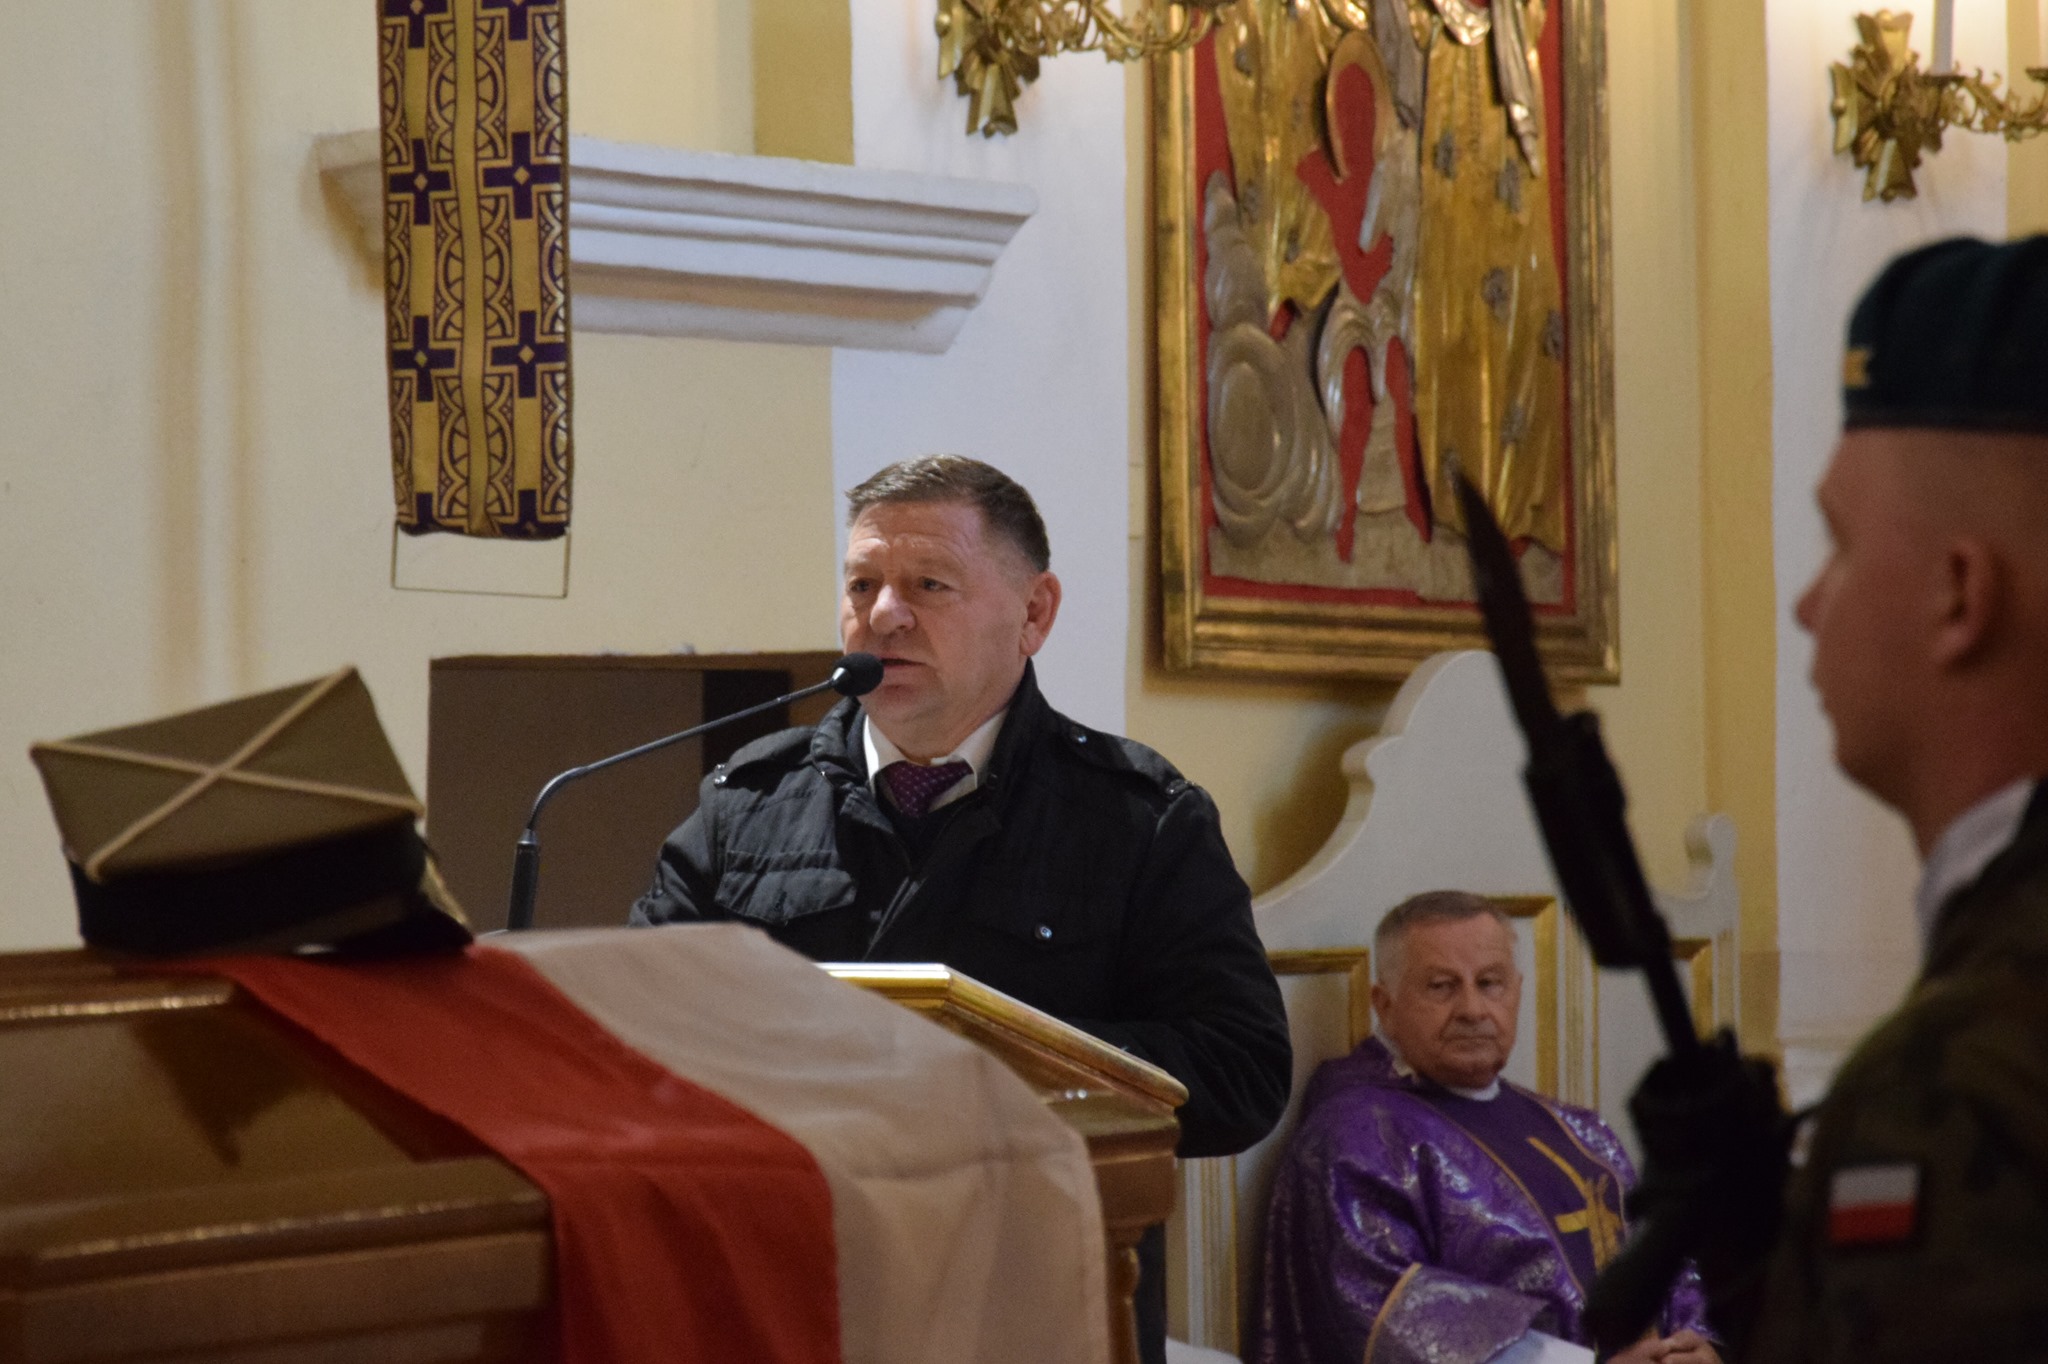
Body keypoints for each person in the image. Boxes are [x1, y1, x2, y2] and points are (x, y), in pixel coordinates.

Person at [631, 454, 1293, 1364]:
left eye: (928, 585)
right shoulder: (746, 803)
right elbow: (635, 1035)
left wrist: (982, 1068)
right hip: (790, 1292)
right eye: (862, 585)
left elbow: (1241, 1074)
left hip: (1026, 1300)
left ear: (1034, 614)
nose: (884, 616)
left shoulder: (1140, 820)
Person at [1625, 234, 2048, 1362]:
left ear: (1959, 594)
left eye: (1841, 544)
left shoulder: (1961, 1074)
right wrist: (1768, 1261)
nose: (1810, 603)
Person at [1250, 891, 1717, 1364]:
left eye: (1490, 983)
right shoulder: (1357, 1140)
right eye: (1441, 986)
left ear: (1517, 991)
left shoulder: (1577, 1130)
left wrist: (1700, 1342)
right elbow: (1385, 1315)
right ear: (1384, 1005)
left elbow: (1664, 1251)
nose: (1472, 1009)